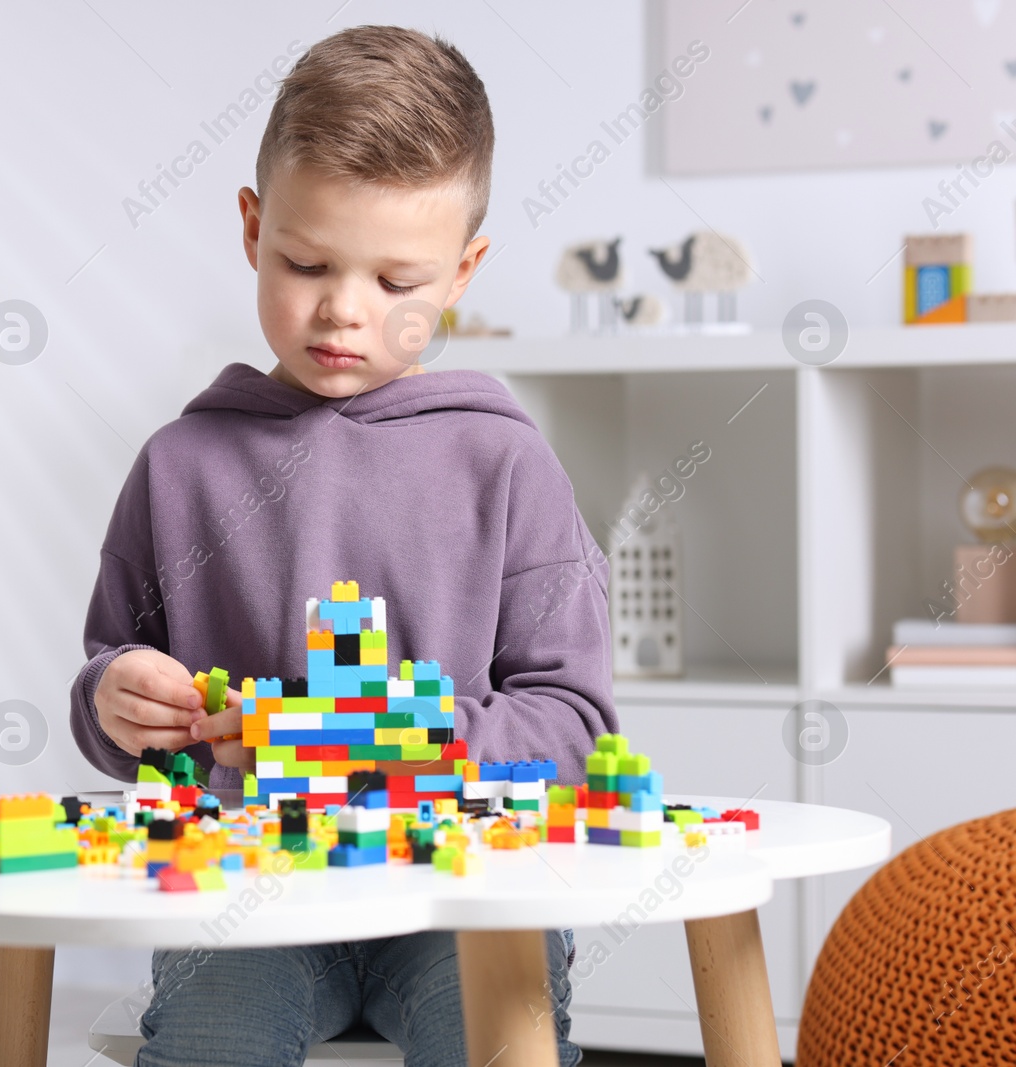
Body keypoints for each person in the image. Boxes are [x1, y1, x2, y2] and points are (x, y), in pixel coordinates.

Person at [69, 24, 617, 1067]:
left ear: (462, 271)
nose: (341, 311)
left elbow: (574, 725)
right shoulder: (180, 463)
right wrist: (114, 697)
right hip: (250, 892)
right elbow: (115, 696)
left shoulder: (505, 464)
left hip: (463, 890)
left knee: (496, 1032)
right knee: (209, 1037)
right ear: (250, 227)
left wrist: (399, 732)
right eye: (306, 261)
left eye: (396, 282)